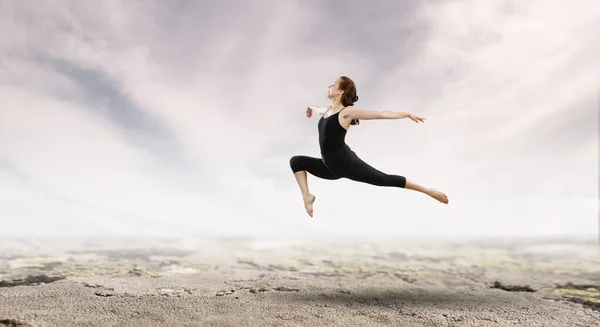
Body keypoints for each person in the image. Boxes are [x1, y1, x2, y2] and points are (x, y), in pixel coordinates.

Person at [289, 76, 449, 217]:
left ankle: (429, 191)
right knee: (296, 161)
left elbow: (381, 114)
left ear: (341, 91)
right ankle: (307, 197)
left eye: (334, 84)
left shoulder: (347, 112)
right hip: (330, 167)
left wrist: (406, 114)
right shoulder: (328, 110)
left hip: (345, 162)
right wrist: (311, 107)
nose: (329, 86)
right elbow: (319, 110)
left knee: (383, 179)